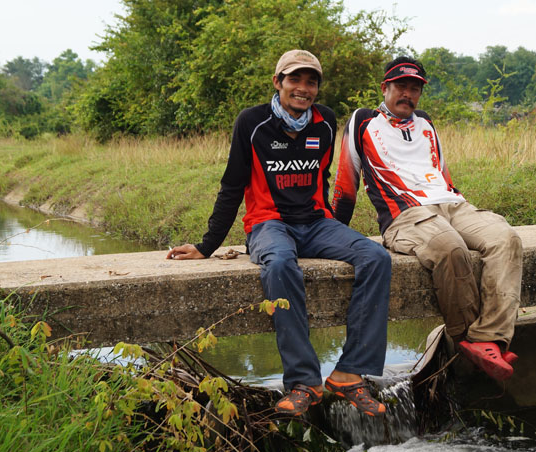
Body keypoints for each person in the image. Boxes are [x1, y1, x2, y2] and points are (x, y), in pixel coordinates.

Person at [167, 50, 390, 417]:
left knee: (376, 256)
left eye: (311, 81)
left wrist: (337, 231)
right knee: (281, 265)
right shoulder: (252, 123)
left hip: (317, 223)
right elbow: (232, 187)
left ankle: (349, 373)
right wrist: (207, 246)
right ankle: (304, 382)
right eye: (295, 80)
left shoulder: (325, 122)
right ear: (278, 82)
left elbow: (323, 178)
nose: (303, 89)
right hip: (269, 224)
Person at [332, 56, 523, 381]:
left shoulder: (426, 123)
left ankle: (490, 338)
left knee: (507, 239)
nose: (408, 94)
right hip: (404, 215)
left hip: (451, 205)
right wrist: (335, 235)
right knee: (450, 248)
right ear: (385, 87)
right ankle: (466, 338)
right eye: (401, 87)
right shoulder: (364, 121)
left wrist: (456, 203)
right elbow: (345, 185)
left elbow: (441, 175)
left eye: (415, 88)